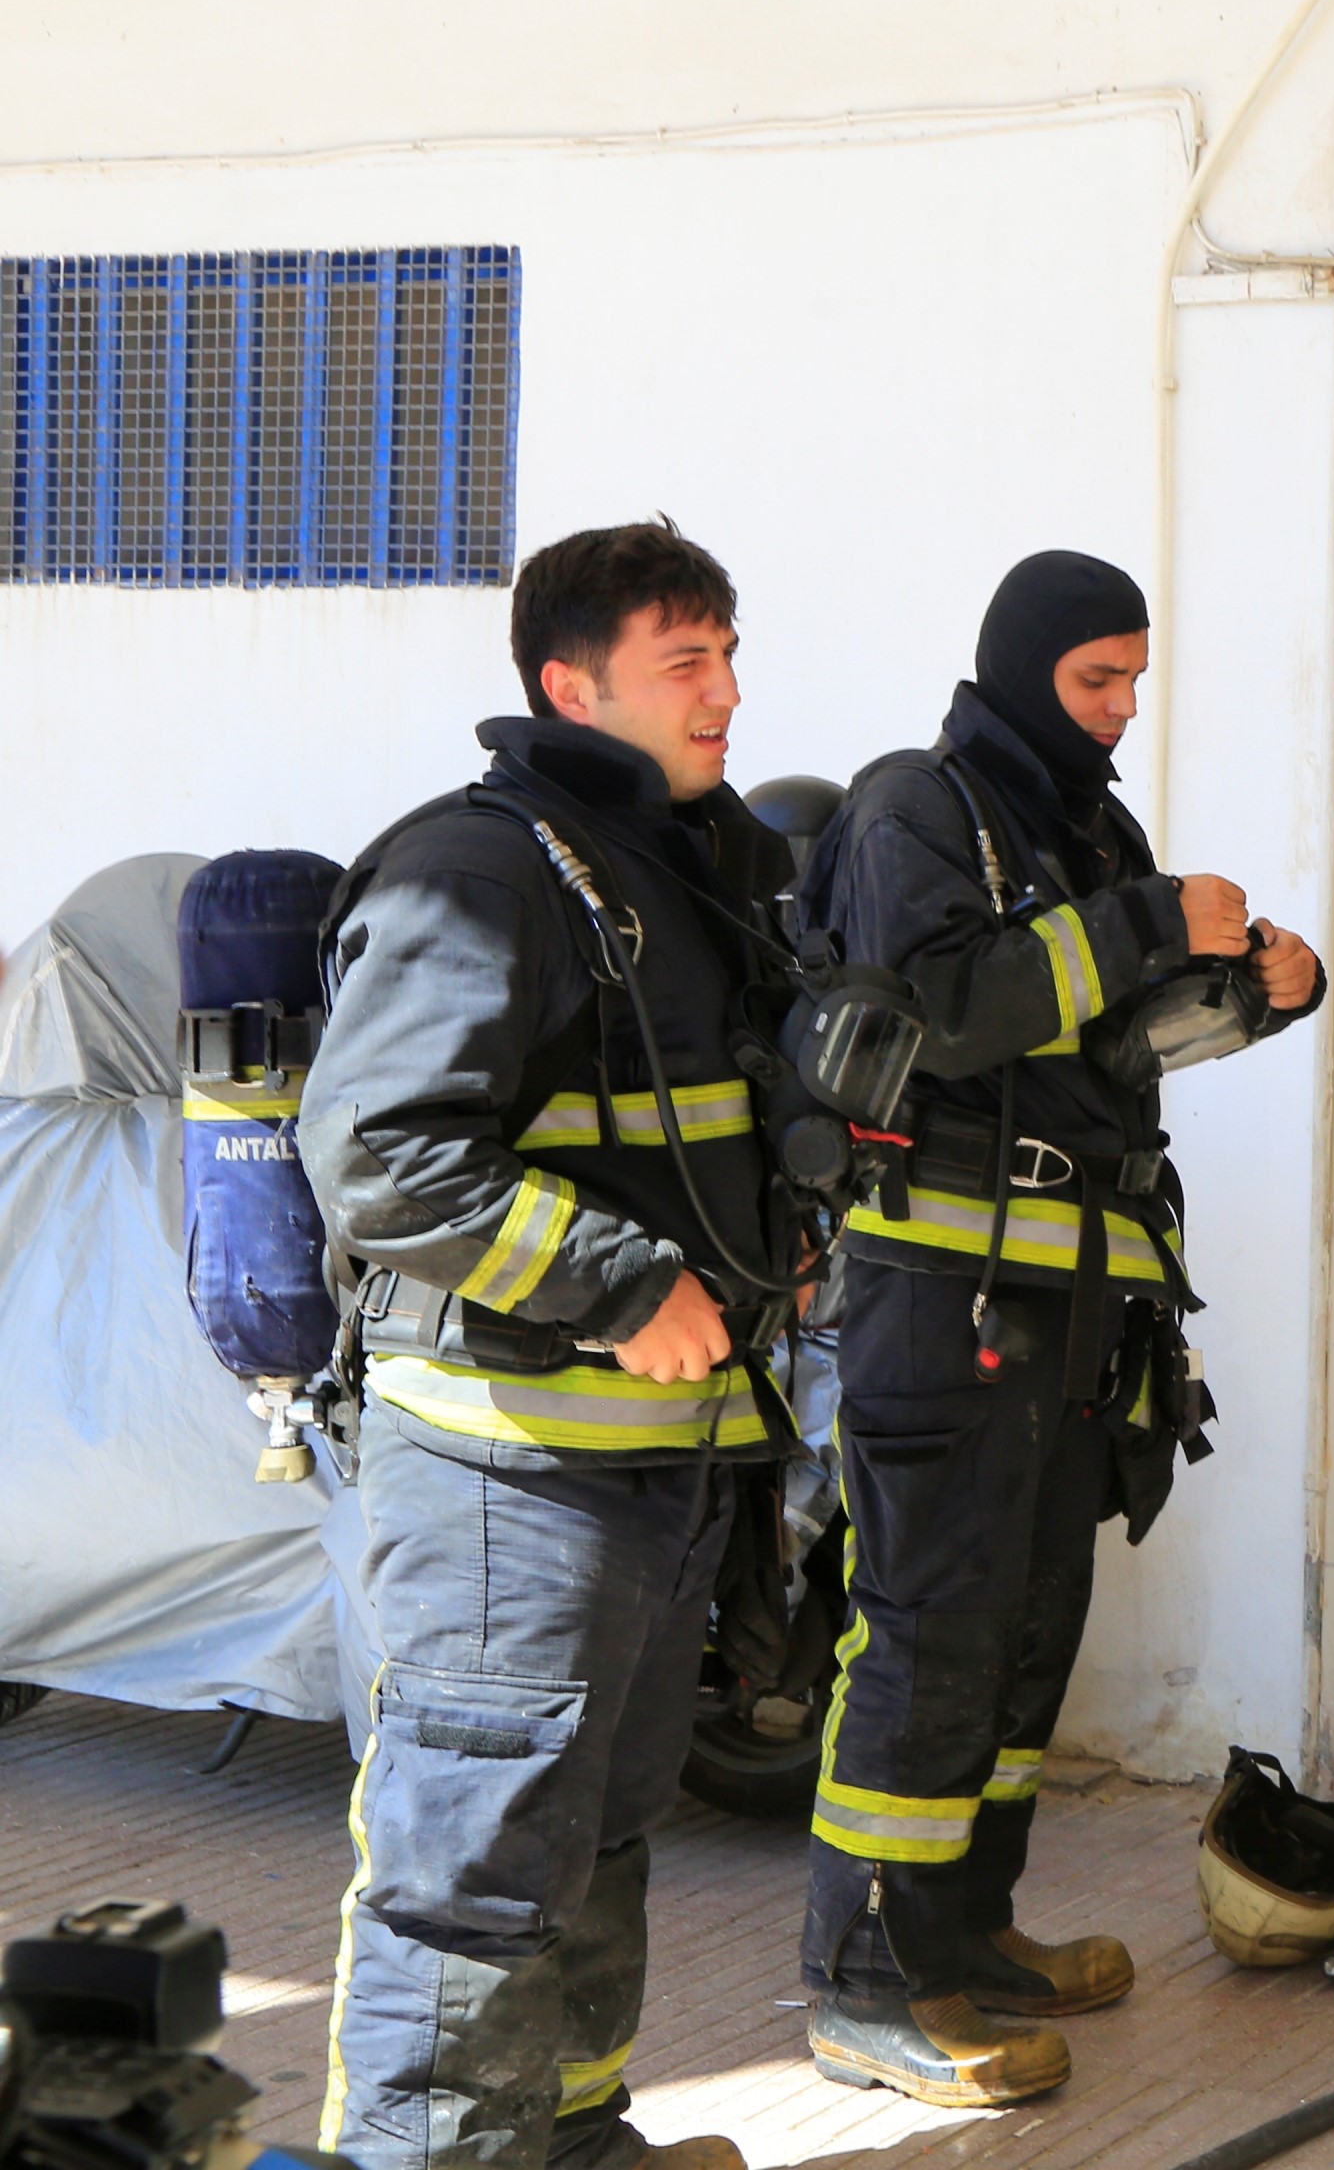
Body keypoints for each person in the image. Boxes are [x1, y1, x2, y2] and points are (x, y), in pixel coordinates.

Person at [790, 550, 1321, 2104]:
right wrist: (1152, 913)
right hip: (941, 1302)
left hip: (1069, 1302)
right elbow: (940, 1011)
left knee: (1026, 1642)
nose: (1122, 710)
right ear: (1025, 671)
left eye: (1134, 680)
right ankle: (869, 1979)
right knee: (933, 1638)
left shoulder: (1090, 828)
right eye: (1099, 682)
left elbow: (1108, 1051)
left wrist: (1256, 989)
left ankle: (966, 1932)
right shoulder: (916, 812)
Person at [303, 520, 790, 2170]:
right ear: (567, 682)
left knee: (600, 1847)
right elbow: (380, 1154)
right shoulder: (485, 870)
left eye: (728, 654)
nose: (726, 691)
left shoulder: (681, 868)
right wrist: (618, 1281)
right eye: (686, 662)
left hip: (653, 1479)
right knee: (475, 1881)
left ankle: (573, 2146)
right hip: (508, 1483)